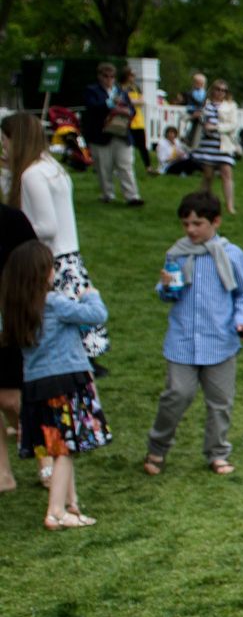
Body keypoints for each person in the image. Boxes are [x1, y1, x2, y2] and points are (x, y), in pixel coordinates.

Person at [142, 191, 243, 477]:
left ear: (215, 222)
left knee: (220, 402)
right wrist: (167, 286)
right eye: (186, 224)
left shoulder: (232, 255)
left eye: (197, 224)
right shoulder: (177, 253)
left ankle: (217, 453)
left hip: (220, 342)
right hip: (182, 342)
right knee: (177, 395)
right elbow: (168, 294)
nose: (191, 230)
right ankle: (157, 447)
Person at [4, 241, 109, 530]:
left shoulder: (15, 309)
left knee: (58, 445)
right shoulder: (54, 303)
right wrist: (91, 296)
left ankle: (71, 504)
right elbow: (96, 317)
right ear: (43, 273)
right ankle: (56, 512)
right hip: (66, 382)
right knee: (65, 449)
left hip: (36, 387)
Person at [2, 112, 108, 361]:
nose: (3, 147)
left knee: (56, 335)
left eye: (5, 141)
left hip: (51, 261)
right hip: (69, 258)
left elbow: (47, 227)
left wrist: (16, 236)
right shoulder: (51, 167)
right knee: (77, 337)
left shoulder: (32, 174)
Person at [0, 202, 36, 494]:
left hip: (9, 323)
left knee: (11, 400)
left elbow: (34, 268)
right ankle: (3, 474)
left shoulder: (12, 220)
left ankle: (45, 458)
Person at [87, 63, 143, 206]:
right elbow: (92, 108)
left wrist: (127, 111)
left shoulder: (120, 90)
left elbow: (132, 109)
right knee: (104, 168)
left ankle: (132, 196)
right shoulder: (92, 90)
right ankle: (107, 194)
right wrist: (110, 103)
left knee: (126, 165)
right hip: (101, 135)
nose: (109, 79)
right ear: (100, 77)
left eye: (112, 76)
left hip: (121, 133)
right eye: (106, 76)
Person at [190, 79, 240, 214]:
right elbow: (199, 120)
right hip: (207, 144)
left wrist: (216, 128)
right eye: (217, 89)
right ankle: (203, 203)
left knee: (226, 173)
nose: (220, 92)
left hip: (223, 144)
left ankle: (230, 206)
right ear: (212, 90)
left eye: (223, 90)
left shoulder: (231, 106)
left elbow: (233, 124)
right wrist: (199, 119)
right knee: (208, 175)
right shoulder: (206, 105)